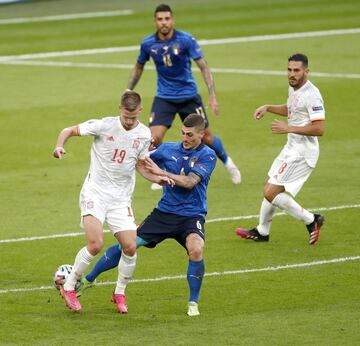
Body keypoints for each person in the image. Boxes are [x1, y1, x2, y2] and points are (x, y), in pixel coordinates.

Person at [78, 113, 217, 316]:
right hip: (164, 213)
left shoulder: (208, 155)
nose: (185, 138)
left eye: (189, 135)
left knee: (196, 249)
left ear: (201, 134)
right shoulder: (168, 149)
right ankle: (89, 279)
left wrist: (163, 173)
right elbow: (140, 161)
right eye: (182, 133)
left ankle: (193, 303)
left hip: (191, 215)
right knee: (129, 244)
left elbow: (189, 182)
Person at [53, 91, 173, 313]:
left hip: (120, 198)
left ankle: (119, 293)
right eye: (126, 117)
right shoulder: (103, 125)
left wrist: (159, 178)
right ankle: (70, 287)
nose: (129, 122)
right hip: (95, 193)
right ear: (120, 108)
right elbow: (68, 130)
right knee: (95, 244)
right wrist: (59, 145)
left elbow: (140, 165)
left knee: (130, 246)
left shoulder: (145, 134)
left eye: (133, 117)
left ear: (140, 110)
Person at [126, 3, 240, 189]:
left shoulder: (186, 40)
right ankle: (161, 174)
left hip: (189, 96)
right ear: (155, 21)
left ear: (172, 20)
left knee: (207, 138)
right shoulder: (148, 44)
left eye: (167, 19)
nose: (164, 22)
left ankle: (229, 164)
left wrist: (212, 95)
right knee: (154, 138)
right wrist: (128, 89)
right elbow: (139, 66)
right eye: (160, 19)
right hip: (164, 97)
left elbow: (203, 66)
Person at [235, 53, 325, 245]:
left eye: (296, 70)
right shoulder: (294, 88)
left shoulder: (313, 95)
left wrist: (288, 128)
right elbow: (293, 109)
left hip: (302, 153)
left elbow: (319, 129)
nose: (292, 74)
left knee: (270, 192)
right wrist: (268, 107)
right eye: (289, 70)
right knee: (269, 185)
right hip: (291, 148)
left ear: (306, 72)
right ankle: (262, 231)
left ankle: (312, 220)